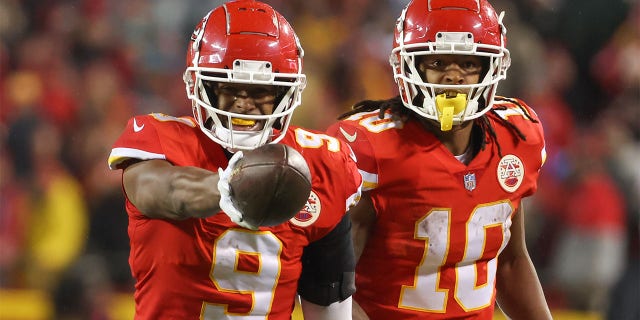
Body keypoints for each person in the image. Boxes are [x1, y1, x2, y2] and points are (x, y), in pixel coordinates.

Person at [107, 1, 362, 319]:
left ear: (287, 92)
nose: (244, 105)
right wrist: (230, 188)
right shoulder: (160, 138)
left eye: (260, 92)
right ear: (199, 84)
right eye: (229, 88)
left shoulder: (322, 164)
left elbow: (329, 305)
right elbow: (163, 190)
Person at [327, 0, 553, 319]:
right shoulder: (372, 147)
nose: (453, 77)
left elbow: (510, 263)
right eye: (438, 61)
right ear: (409, 65)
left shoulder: (515, 137)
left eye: (468, 63)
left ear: (492, 67)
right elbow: (333, 284)